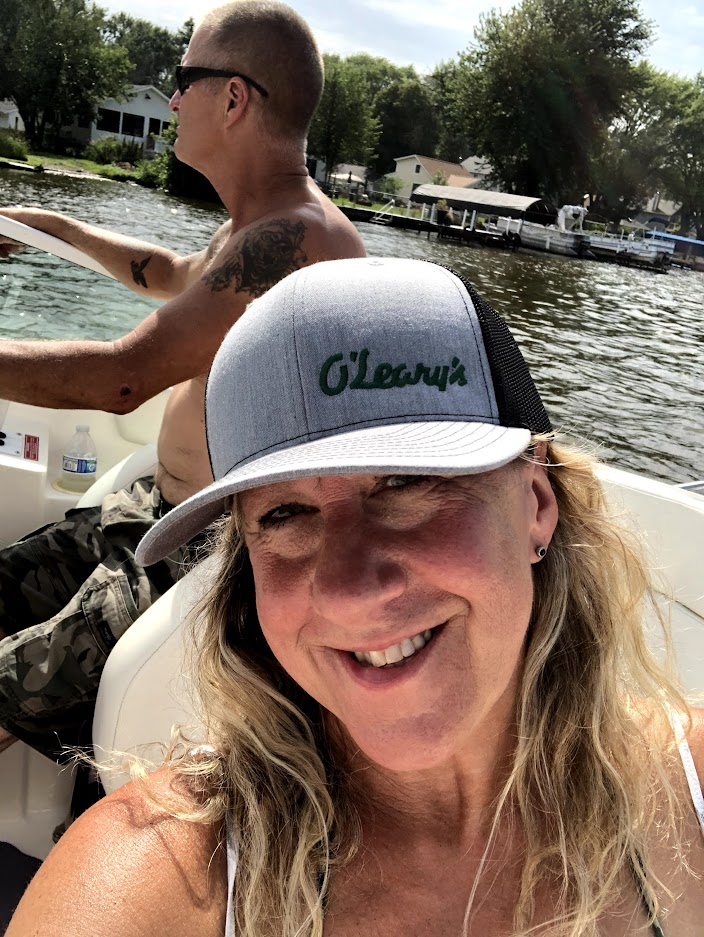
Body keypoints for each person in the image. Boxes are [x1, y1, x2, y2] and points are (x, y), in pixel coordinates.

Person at [7, 257, 703, 936]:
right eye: (284, 514)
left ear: (537, 505)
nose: (347, 591)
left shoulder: (692, 794)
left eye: (405, 481)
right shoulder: (157, 874)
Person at [0, 0, 365, 760]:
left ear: (232, 98)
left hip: (202, 560)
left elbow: (121, 381)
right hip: (149, 516)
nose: (170, 99)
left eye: (182, 77)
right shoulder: (257, 227)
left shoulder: (298, 240)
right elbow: (167, 271)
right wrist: (52, 228)